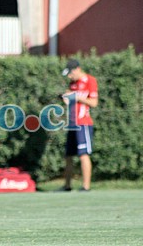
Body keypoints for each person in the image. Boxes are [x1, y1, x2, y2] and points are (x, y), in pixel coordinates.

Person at [61, 59, 98, 192]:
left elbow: (94, 103)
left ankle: (86, 186)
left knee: (83, 154)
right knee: (68, 156)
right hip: (72, 123)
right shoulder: (73, 84)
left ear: (77, 69)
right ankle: (67, 186)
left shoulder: (90, 80)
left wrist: (77, 97)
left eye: (71, 73)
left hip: (84, 123)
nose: (69, 77)